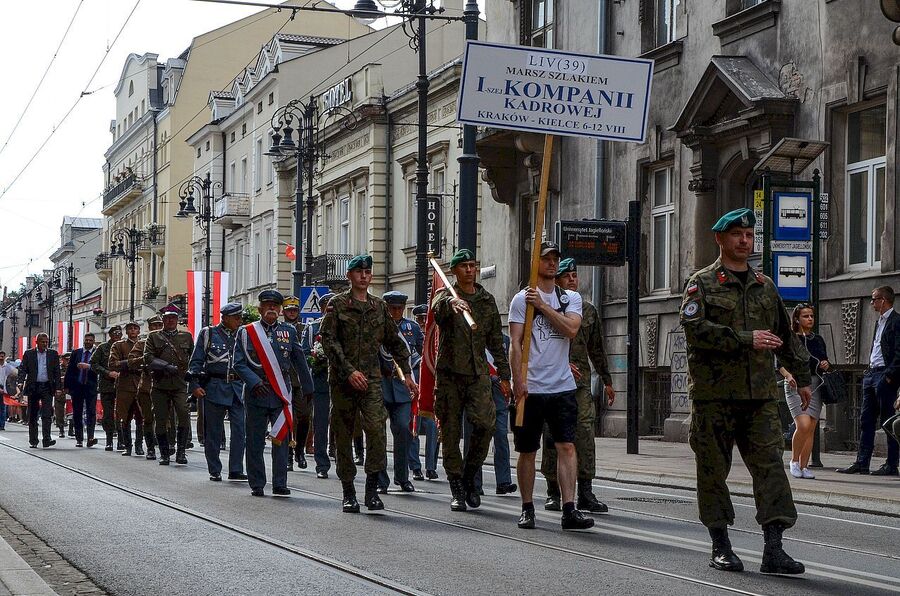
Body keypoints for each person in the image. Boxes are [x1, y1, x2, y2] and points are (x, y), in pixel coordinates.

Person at [681, 207, 810, 575]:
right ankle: (720, 545)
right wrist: (744, 339)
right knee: (712, 471)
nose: (745, 241)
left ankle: (774, 548)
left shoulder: (765, 286)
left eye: (750, 236)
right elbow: (695, 330)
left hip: (760, 398)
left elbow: (785, 337)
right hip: (714, 397)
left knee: (771, 468)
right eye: (737, 234)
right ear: (720, 239)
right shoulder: (701, 284)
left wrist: (802, 377)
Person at [320, 254, 417, 513]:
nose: (364, 276)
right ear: (350, 276)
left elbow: (394, 341)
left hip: (372, 380)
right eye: (359, 271)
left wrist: (406, 373)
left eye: (367, 272)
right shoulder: (337, 305)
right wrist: (349, 371)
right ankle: (348, 491)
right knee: (343, 433)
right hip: (343, 381)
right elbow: (329, 341)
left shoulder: (379, 306)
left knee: (376, 430)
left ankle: (372, 489)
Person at [509, 241, 593, 531]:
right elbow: (516, 344)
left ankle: (569, 508)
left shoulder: (570, 299)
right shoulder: (521, 300)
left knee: (567, 446)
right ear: (535, 263)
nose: (552, 263)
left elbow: (571, 329)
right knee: (528, 450)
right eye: (546, 258)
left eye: (555, 258)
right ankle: (527, 507)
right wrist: (518, 382)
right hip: (531, 388)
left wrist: (543, 306)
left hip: (562, 386)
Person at [431, 248, 511, 512]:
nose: (469, 269)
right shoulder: (447, 296)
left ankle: (469, 476)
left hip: (478, 375)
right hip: (450, 376)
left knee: (485, 425)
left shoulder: (486, 300)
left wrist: (504, 374)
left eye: (472, 265)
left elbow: (496, 342)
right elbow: (436, 310)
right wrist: (451, 304)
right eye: (463, 266)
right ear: (454, 271)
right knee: (451, 434)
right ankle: (456, 486)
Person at [541, 258, 615, 513]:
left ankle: (585, 491)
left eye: (574, 274)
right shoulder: (547, 307)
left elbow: (597, 348)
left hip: (580, 381)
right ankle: (553, 491)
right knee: (553, 435)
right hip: (552, 380)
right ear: (556, 280)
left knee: (584, 434)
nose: (572, 278)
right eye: (566, 275)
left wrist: (606, 380)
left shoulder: (588, 310)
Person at [233, 290, 314, 497]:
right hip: (256, 393)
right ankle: (257, 483)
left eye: (275, 306)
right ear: (260, 309)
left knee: (281, 440)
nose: (271, 309)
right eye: (267, 305)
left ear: (279, 310)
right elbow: (239, 364)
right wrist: (254, 382)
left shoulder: (289, 331)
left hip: (280, 394)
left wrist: (308, 387)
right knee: (255, 441)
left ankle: (280, 483)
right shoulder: (247, 332)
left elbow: (299, 360)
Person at [838, 285, 900, 476]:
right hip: (871, 374)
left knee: (888, 422)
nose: (871, 302)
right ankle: (862, 462)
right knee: (866, 420)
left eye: (874, 299)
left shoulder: (897, 322)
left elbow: (899, 353)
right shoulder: (878, 322)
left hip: (884, 376)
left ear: (884, 300)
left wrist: (888, 377)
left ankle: (891, 464)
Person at [189, 302, 247, 482]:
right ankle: (214, 469)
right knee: (213, 432)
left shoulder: (244, 335)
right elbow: (196, 362)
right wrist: (194, 385)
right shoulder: (209, 333)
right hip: (214, 387)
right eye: (236, 318)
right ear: (225, 318)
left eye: (240, 317)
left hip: (238, 388)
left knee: (239, 430)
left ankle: (236, 469)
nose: (240, 321)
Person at [376, 291, 421, 494]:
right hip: (381, 386)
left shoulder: (412, 328)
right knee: (378, 433)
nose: (396, 312)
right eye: (392, 308)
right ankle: (380, 479)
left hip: (403, 389)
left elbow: (421, 353)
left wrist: (414, 377)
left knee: (403, 429)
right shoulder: (376, 327)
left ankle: (402, 477)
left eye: (399, 308)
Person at [778, 304, 829, 479]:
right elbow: (780, 362)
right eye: (806, 316)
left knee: (811, 428)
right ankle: (794, 460)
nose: (810, 319)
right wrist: (787, 375)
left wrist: (824, 364)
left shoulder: (818, 339)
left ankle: (804, 466)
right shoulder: (791, 338)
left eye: (811, 316)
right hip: (795, 384)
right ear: (797, 319)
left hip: (815, 384)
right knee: (803, 425)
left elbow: (825, 360)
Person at [463, 332, 517, 495]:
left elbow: (509, 365)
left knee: (501, 435)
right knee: (474, 437)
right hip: (476, 393)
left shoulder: (505, 340)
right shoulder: (469, 337)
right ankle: (474, 482)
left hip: (498, 394)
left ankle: (504, 481)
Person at [143, 306, 194, 466]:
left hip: (179, 383)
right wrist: (165, 366)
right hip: (160, 384)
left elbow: (192, 358)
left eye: (173, 318)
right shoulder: (154, 337)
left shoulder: (186, 336)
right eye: (167, 318)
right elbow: (148, 357)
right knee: (161, 418)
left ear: (177, 320)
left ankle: (181, 452)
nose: (170, 321)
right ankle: (164, 453)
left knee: (184, 414)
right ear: (163, 320)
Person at [301, 292, 334, 479]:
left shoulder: (345, 325)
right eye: (328, 306)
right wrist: (317, 357)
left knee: (342, 422)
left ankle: (340, 455)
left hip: (342, 381)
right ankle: (322, 463)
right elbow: (304, 353)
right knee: (320, 422)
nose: (331, 309)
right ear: (321, 308)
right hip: (321, 380)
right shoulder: (313, 328)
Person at [282, 295, 313, 471]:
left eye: (294, 310)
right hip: (285, 380)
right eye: (289, 310)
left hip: (302, 381)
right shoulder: (279, 330)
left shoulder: (305, 329)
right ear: (284, 312)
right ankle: (288, 454)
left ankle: (300, 449)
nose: (292, 313)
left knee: (304, 416)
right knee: (287, 419)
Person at [408, 304, 439, 481]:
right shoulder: (410, 336)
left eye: (424, 319)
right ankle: (415, 466)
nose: (422, 323)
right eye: (420, 319)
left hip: (429, 388)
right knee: (413, 427)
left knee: (432, 428)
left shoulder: (434, 338)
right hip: (414, 385)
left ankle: (431, 466)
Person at [128, 316, 163, 460]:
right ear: (149, 328)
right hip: (146, 386)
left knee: (166, 419)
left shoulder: (170, 342)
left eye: (159, 325)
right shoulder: (141, 344)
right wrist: (147, 358)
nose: (157, 328)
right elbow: (131, 362)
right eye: (154, 326)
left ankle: (169, 448)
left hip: (165, 385)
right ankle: (149, 448)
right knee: (147, 419)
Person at [20, 333, 61, 448]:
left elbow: (57, 372)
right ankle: (33, 440)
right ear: (36, 342)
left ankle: (46, 439)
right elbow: (23, 369)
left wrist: (58, 387)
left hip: (47, 387)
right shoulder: (29, 354)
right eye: (42, 342)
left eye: (46, 342)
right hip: (33, 387)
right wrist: (20, 381)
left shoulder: (53, 354)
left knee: (47, 414)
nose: (45, 344)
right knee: (32, 414)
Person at [109, 322, 144, 457]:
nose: (133, 331)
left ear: (139, 331)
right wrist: (131, 363)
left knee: (142, 417)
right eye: (130, 328)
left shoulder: (145, 345)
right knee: (125, 417)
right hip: (125, 384)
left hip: (142, 384)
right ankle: (127, 445)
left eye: (135, 328)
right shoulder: (119, 345)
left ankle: (139, 445)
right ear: (126, 331)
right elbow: (113, 363)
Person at [91, 325, 122, 451]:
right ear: (110, 334)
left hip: (122, 384)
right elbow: (93, 364)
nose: (118, 335)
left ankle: (121, 440)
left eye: (120, 333)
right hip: (107, 384)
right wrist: (107, 372)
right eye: (115, 333)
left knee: (121, 413)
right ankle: (109, 440)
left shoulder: (124, 346)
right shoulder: (102, 347)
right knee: (108, 414)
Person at [65, 333, 98, 448]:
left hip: (91, 386)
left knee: (91, 412)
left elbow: (100, 367)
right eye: (86, 340)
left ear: (93, 341)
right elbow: (70, 370)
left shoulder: (97, 353)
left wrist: (88, 366)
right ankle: (79, 438)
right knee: (77, 412)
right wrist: (67, 386)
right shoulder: (76, 353)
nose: (88, 342)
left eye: (90, 340)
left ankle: (90, 437)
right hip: (77, 386)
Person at [54, 352, 71, 439]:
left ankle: (72, 428)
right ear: (62, 359)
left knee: (72, 411)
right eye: (66, 359)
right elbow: (54, 379)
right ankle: (61, 429)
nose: (68, 361)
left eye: (69, 360)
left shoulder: (72, 368)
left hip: (70, 392)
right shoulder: (58, 368)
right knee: (59, 411)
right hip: (60, 391)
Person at [0, 351, 18, 431]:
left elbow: (15, 373)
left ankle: (2, 425)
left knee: (2, 408)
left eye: (2, 356)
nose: (1, 358)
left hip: (4, 389)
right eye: (0, 356)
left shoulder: (7, 366)